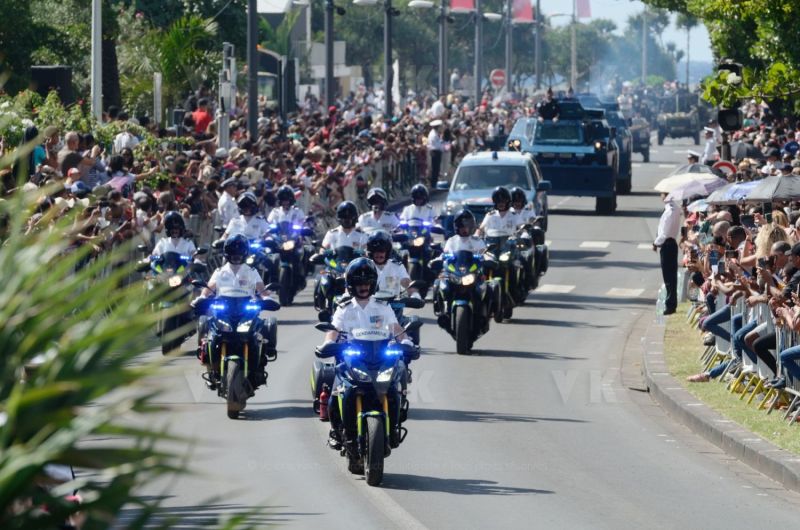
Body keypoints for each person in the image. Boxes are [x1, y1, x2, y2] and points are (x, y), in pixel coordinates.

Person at [321, 257, 410, 451]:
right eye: (359, 283)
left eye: (367, 283)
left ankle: (394, 428)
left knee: (394, 390)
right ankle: (337, 432)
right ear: (351, 285)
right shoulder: (344, 307)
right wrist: (328, 342)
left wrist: (406, 341)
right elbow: (334, 329)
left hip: (379, 359)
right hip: (351, 360)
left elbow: (395, 327)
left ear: (373, 284)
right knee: (336, 396)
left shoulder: (383, 306)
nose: (363, 287)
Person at [194, 234, 277, 388]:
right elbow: (208, 289)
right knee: (210, 338)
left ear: (245, 254)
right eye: (233, 254)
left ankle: (258, 367)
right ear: (227, 254)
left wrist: (267, 299)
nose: (237, 257)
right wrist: (201, 298)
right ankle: (211, 369)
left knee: (259, 337)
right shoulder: (220, 271)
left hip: (246, 312)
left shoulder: (252, 271)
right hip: (224, 312)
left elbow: (263, 291)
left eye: (240, 254)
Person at [653, 193, 681, 315]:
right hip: (671, 243)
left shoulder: (670, 211)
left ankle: (670, 304)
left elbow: (664, 233)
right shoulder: (674, 208)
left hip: (667, 244)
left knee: (668, 276)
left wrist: (655, 243)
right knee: (671, 275)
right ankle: (671, 303)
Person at [427, 120, 445, 188]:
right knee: (435, 168)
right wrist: (444, 148)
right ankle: (433, 184)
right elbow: (437, 145)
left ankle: (435, 183)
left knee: (437, 169)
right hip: (435, 152)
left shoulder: (436, 133)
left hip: (437, 151)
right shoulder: (433, 134)